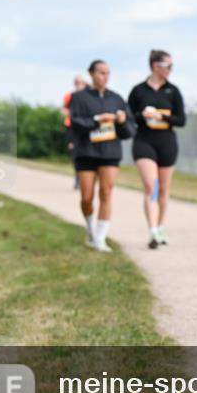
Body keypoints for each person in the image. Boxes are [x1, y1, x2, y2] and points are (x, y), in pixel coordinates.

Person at [68, 60, 135, 253]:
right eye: (101, 73)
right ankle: (90, 229)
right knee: (87, 196)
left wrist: (122, 122)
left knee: (106, 192)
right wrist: (97, 120)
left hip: (109, 152)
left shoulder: (117, 99)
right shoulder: (79, 98)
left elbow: (129, 131)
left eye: (108, 73)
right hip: (86, 152)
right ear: (91, 74)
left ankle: (100, 238)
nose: (105, 77)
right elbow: (75, 123)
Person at [128, 49, 186, 249]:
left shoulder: (173, 91)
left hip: (167, 142)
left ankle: (160, 226)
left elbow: (181, 120)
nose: (171, 70)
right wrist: (142, 116)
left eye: (171, 66)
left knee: (163, 189)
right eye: (168, 66)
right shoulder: (138, 91)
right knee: (150, 187)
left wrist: (162, 117)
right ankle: (152, 230)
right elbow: (129, 117)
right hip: (144, 141)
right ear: (155, 66)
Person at [63, 75, 88, 189]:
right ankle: (78, 178)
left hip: (87, 127)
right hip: (72, 128)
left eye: (81, 82)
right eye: (77, 82)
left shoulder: (89, 96)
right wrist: (73, 116)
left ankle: (85, 178)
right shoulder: (70, 96)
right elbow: (64, 109)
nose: (79, 84)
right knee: (75, 153)